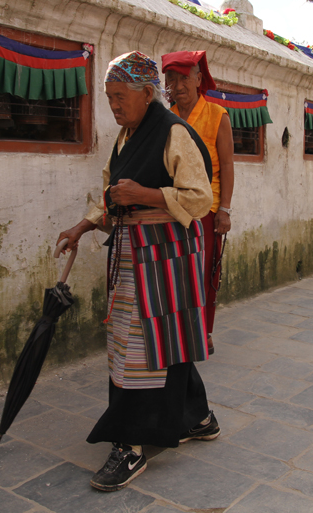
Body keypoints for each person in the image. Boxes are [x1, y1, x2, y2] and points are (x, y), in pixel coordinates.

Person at [57, 51, 220, 492]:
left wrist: (146, 194)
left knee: (140, 346)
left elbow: (200, 198)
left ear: (148, 94)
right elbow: (112, 194)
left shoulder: (174, 133)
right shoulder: (126, 137)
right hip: (132, 252)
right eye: (108, 97)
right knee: (163, 338)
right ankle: (198, 417)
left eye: (120, 96)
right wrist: (82, 226)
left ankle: (129, 446)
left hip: (168, 254)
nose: (113, 106)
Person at [161, 50, 234, 355]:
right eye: (171, 79)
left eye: (183, 78)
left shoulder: (218, 115)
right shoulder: (167, 117)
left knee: (206, 273)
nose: (177, 86)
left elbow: (228, 165)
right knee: (176, 272)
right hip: (173, 206)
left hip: (208, 207)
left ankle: (204, 330)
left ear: (198, 79)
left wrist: (225, 209)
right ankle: (178, 329)